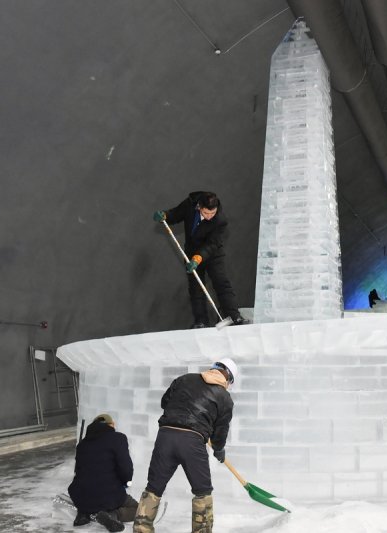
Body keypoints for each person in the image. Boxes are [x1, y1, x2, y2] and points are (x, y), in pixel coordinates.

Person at [133, 358, 238, 533]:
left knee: (153, 488)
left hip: (165, 437)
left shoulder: (185, 379)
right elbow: (221, 430)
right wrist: (219, 449)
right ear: (228, 378)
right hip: (192, 442)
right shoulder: (225, 398)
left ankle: (141, 529)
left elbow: (164, 402)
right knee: (202, 492)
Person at [154, 192, 249, 329]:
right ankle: (201, 321)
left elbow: (212, 244)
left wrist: (198, 258)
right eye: (206, 213)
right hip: (191, 252)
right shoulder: (190, 205)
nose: (210, 217)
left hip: (212, 254)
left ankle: (235, 317)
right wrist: (165, 215)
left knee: (221, 283)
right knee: (196, 288)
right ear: (199, 207)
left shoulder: (220, 220)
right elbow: (176, 214)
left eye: (213, 213)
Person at [68, 414, 137, 532]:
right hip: (108, 494)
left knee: (90, 496)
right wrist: (126, 481)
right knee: (138, 509)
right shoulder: (118, 438)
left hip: (79, 495)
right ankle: (113, 515)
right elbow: (126, 468)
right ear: (110, 425)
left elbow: (78, 471)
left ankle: (85, 513)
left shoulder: (82, 444)